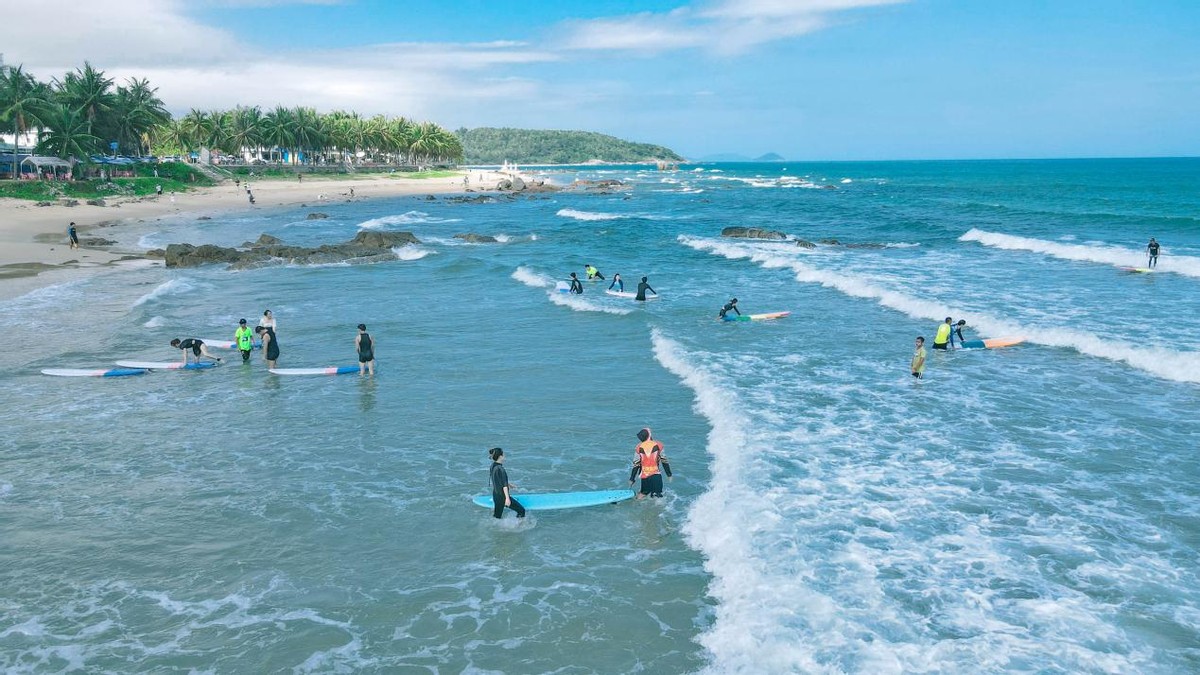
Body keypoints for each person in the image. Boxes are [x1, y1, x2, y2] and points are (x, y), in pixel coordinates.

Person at [628, 428, 672, 499]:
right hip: (655, 475)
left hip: (644, 476)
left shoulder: (638, 447)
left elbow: (636, 464)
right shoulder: (658, 445)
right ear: (650, 435)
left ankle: (634, 505)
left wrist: (632, 478)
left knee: (643, 493)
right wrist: (669, 474)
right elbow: (664, 461)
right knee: (657, 496)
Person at [488, 447, 525, 519]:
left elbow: (497, 479)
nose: (504, 456)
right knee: (521, 511)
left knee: (497, 517)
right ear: (500, 456)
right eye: (503, 455)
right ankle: (518, 527)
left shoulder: (493, 466)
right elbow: (504, 486)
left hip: (496, 495)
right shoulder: (501, 469)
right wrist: (507, 499)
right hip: (502, 496)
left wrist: (509, 484)